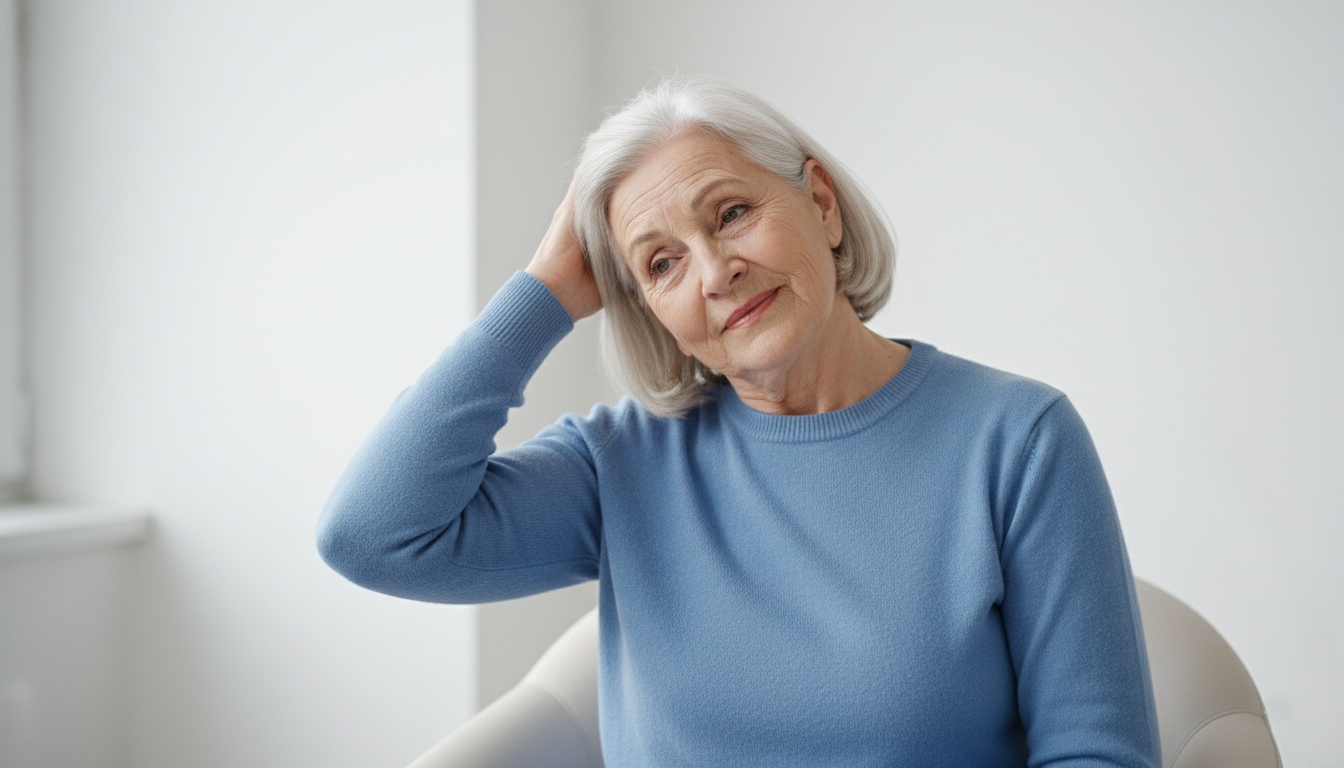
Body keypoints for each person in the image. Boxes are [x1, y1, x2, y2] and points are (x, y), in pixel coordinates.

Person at [318, 75, 1160, 767]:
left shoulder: (1018, 440)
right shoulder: (621, 464)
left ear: (821, 205)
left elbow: (1099, 755)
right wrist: (541, 294)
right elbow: (372, 533)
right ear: (646, 311)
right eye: (662, 263)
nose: (717, 272)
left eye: (731, 213)